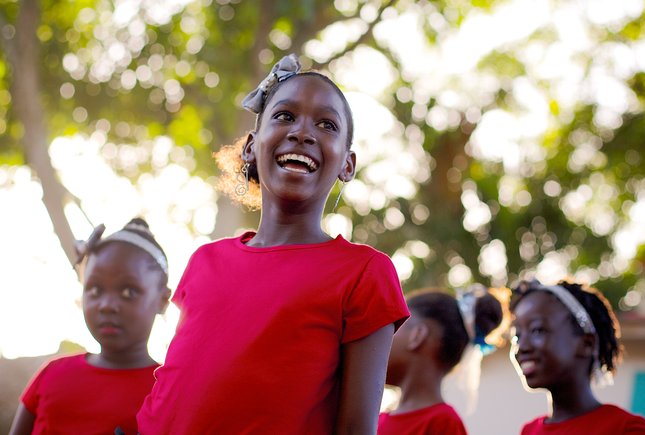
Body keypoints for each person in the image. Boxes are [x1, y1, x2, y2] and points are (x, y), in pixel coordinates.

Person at [136, 53, 410, 434]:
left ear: (347, 164)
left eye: (326, 124)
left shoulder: (365, 273)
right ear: (250, 146)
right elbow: (177, 389)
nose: (302, 132)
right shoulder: (204, 260)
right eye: (284, 116)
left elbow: (355, 428)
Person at [9, 218, 171, 435]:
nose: (106, 305)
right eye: (95, 290)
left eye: (128, 292)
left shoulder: (168, 392)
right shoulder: (52, 375)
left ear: (162, 300)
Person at [510, 279, 645, 434]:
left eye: (537, 330)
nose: (521, 347)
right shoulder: (529, 431)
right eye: (517, 336)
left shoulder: (626, 428)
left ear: (587, 344)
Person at [378, 287, 504, 435]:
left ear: (417, 335)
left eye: (394, 326)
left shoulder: (444, 425)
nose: (381, 337)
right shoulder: (377, 420)